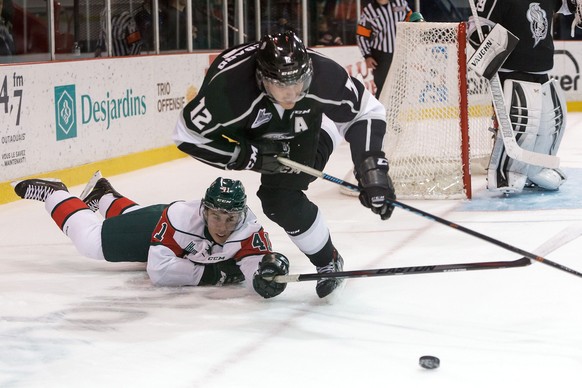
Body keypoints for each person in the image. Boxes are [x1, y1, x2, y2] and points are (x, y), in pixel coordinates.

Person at [172, 30, 396, 299]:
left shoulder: (324, 75)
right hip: (257, 131)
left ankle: (328, 262)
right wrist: (249, 156)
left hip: (311, 122)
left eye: (298, 83)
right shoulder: (229, 90)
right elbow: (186, 135)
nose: (291, 93)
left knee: (279, 197)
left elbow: (367, 111)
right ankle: (329, 258)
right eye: (282, 86)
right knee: (277, 200)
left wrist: (372, 169)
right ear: (262, 80)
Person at [12, 173, 290, 299]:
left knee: (127, 217)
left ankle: (103, 195)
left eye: (230, 218)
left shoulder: (248, 230)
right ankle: (56, 192)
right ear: (204, 211)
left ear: (241, 215)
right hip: (153, 225)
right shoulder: (181, 219)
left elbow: (254, 268)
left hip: (168, 235)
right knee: (91, 243)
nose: (222, 226)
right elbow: (158, 270)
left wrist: (264, 278)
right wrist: (213, 274)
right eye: (216, 216)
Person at [472, 0, 577, 194]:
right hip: (511, 69)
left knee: (550, 122)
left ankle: (537, 168)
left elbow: (568, 6)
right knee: (521, 123)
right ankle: (508, 172)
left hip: (542, 67)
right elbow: (477, 28)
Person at [356, 0, 413, 98]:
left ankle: (396, 112)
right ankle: (381, 113)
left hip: (400, 52)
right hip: (380, 56)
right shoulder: (369, 10)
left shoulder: (400, 3)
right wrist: (367, 55)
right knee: (383, 88)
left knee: (400, 87)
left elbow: (411, 17)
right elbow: (361, 35)